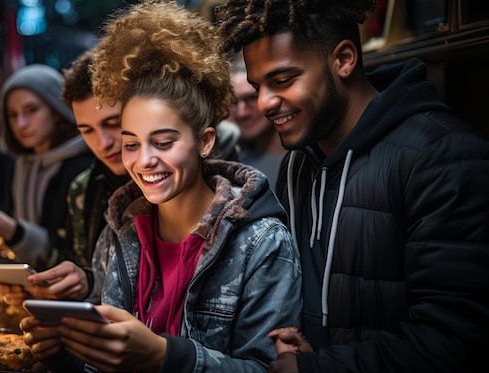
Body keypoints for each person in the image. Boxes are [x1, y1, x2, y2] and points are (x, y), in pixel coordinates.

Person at [20, 1, 302, 372]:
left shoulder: (263, 244)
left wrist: (166, 357)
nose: (144, 160)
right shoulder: (118, 235)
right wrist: (64, 351)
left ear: (205, 142)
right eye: (131, 144)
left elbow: (270, 369)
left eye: (164, 142)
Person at [215, 0, 489, 372]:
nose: (264, 102)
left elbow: (454, 340)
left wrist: (313, 369)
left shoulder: (444, 156)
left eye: (283, 81)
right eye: (257, 86)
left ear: (344, 59)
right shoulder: (297, 162)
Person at [0, 64, 94, 271]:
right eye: (12, 115)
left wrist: (15, 232)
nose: (21, 124)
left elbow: (76, 259)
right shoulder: (19, 165)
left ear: (57, 111)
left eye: (31, 110)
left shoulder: (82, 168)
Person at [229, 60, 286, 189]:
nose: (242, 113)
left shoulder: (312, 153)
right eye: (233, 103)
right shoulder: (236, 168)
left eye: (251, 98)